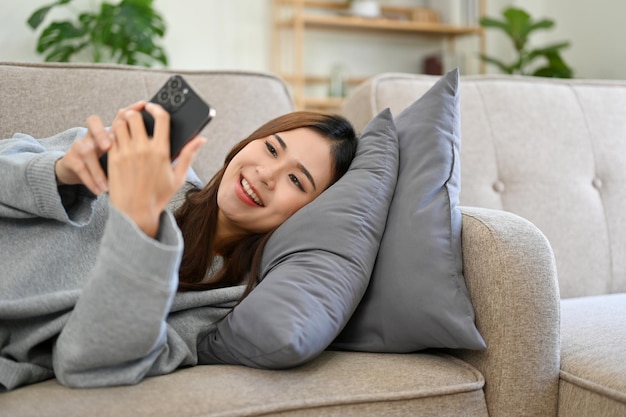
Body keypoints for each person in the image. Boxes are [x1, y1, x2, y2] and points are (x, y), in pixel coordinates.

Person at [0, 101, 357, 391]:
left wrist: (141, 223)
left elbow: (90, 362)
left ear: (312, 211)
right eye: (270, 148)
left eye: (296, 179)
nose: (266, 174)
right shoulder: (150, 162)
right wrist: (61, 173)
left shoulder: (228, 301)